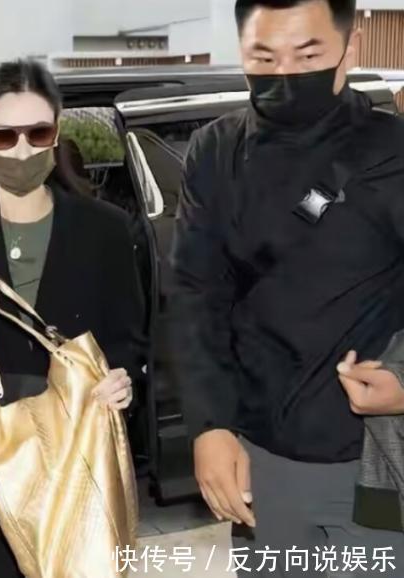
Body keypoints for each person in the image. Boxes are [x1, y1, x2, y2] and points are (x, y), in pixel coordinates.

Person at [172, 0, 404, 574]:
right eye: (263, 57)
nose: (284, 75)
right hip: (259, 464)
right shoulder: (215, 151)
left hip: (375, 461)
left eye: (306, 56)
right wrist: (209, 427)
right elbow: (196, 296)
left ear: (349, 50)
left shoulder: (394, 151)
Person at [0, 59, 146, 578]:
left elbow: (128, 337)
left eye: (37, 133)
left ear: (56, 133)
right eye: (4, 136)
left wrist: (122, 380)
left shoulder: (105, 228)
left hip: (76, 433)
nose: (21, 151)